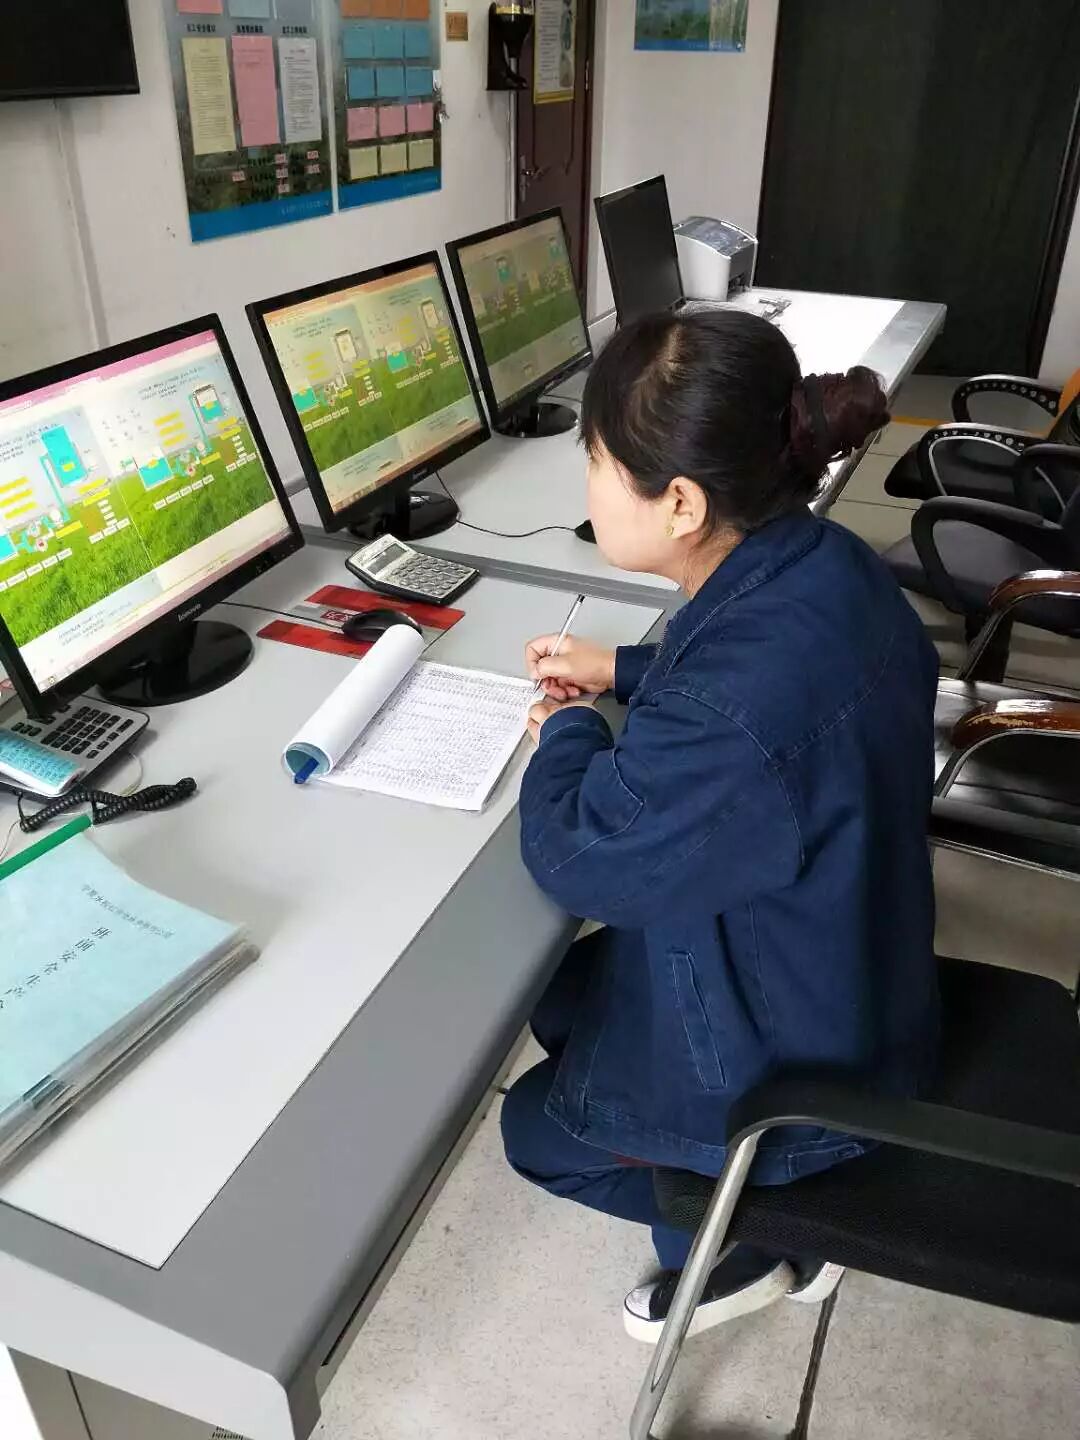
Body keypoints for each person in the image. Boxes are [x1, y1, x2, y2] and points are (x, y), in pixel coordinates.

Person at [501, 308, 940, 1342]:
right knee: (562, 998)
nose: (587, 484)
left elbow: (583, 855)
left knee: (531, 1127)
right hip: (854, 970)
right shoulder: (829, 562)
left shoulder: (731, 710)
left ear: (682, 503)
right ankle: (748, 1204)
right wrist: (624, 670)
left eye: (597, 462)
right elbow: (756, 679)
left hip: (799, 1072)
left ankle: (752, 1241)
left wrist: (570, 729)